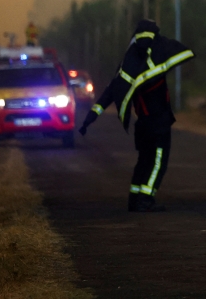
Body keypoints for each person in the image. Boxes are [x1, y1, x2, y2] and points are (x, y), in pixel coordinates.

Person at [78, 20, 195, 212]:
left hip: (142, 125)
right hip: (159, 124)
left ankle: (134, 198)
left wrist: (91, 117)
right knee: (158, 162)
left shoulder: (128, 66)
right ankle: (145, 199)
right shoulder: (158, 55)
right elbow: (177, 52)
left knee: (143, 161)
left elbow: (110, 93)